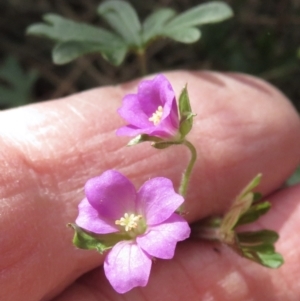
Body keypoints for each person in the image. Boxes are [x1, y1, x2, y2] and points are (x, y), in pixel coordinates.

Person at [0, 71, 299, 301]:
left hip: (161, 227)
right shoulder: (119, 229)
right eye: (128, 224)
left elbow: (171, 228)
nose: (130, 224)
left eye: (131, 223)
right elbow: (102, 215)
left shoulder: (158, 202)